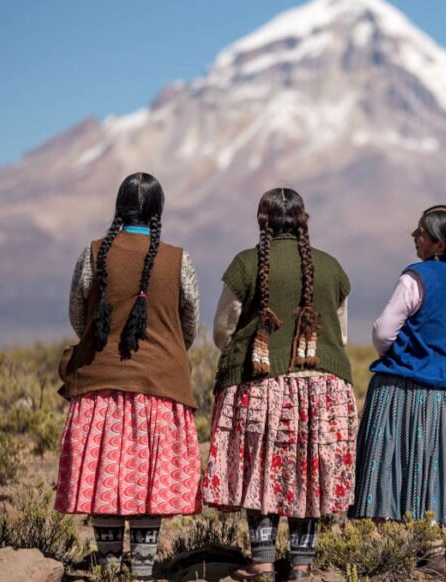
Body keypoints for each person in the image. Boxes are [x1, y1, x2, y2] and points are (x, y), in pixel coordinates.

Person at [200, 187, 357, 581]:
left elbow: (223, 329)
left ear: (262, 221)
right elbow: (342, 333)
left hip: (260, 385)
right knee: (308, 470)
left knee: (262, 470)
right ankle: (302, 566)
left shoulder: (245, 263)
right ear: (303, 220)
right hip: (322, 388)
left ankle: (264, 562)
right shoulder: (332, 267)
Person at [55, 172, 201, 580]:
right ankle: (141, 570)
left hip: (99, 387)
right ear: (158, 211)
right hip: (160, 388)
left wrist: (105, 342)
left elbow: (78, 316)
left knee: (106, 476)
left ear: (119, 208)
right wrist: (164, 351)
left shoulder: (93, 254)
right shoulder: (179, 260)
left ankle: (108, 568)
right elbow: (187, 324)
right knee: (147, 481)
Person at [350, 205, 446, 541]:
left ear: (439, 244)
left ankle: (417, 542)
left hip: (416, 391)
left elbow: (384, 332)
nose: (415, 237)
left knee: (407, 464)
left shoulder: (416, 277)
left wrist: (404, 359)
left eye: (421, 232)